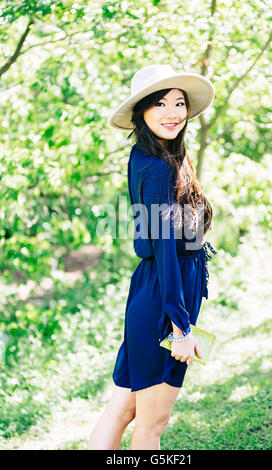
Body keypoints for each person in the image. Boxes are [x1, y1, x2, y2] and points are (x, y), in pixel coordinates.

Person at [87, 64, 217, 450]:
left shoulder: (154, 156)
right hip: (162, 298)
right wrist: (181, 327)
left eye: (179, 103)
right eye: (160, 103)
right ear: (142, 111)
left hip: (152, 293)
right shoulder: (158, 166)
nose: (173, 112)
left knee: (122, 410)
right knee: (150, 427)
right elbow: (164, 248)